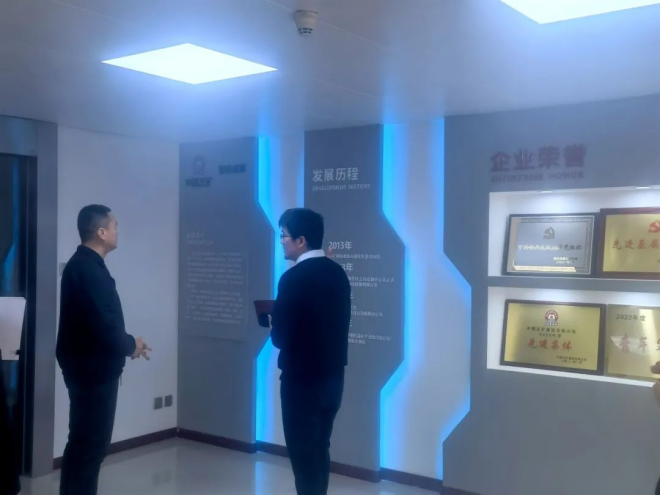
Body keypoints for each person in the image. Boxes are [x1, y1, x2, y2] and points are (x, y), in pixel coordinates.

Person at [56, 205, 151, 495]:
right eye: (114, 225)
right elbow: (105, 324)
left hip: (85, 369)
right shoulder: (88, 270)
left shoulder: (84, 265)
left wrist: (127, 344)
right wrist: (131, 345)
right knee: (91, 448)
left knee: (81, 444)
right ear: (101, 232)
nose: (117, 231)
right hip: (93, 373)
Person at [270, 208, 351, 495]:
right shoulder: (338, 273)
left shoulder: (292, 279)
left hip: (301, 383)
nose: (282, 242)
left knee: (303, 458)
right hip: (333, 379)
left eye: (284, 236)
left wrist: (274, 321)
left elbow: (280, 338)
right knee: (319, 451)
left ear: (301, 240)